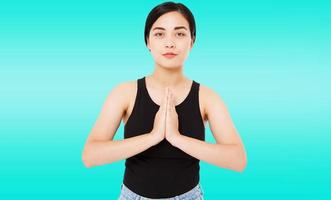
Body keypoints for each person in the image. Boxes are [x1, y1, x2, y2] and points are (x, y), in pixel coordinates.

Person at [81, 1, 247, 199]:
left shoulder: (207, 98)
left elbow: (237, 160)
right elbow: (90, 156)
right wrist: (153, 136)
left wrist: (177, 138)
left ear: (192, 41)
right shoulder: (124, 93)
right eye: (159, 34)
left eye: (180, 33)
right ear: (148, 41)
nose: (170, 43)